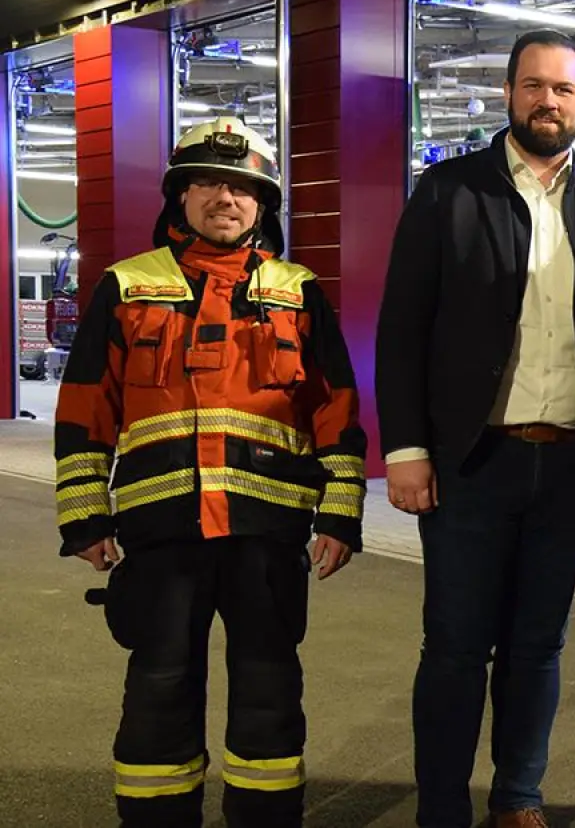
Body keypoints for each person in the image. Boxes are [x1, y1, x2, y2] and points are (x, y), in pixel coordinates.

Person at [375, 28, 575, 828]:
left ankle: (517, 795)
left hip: (569, 465)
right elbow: (402, 331)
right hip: (470, 462)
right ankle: (440, 806)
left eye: (563, 90)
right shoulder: (446, 192)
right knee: (457, 647)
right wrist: (406, 450)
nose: (548, 101)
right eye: (533, 86)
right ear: (508, 94)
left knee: (539, 645)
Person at [55, 115, 366, 828]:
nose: (226, 199)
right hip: (162, 533)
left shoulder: (298, 289)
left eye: (244, 189)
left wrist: (341, 515)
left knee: (268, 692)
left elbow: (336, 412)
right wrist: (84, 517)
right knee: (159, 690)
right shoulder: (127, 286)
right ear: (179, 197)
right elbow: (82, 411)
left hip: (267, 534)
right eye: (208, 184)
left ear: (263, 207)